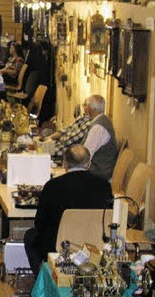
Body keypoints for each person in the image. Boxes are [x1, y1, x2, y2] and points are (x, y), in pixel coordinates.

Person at [24, 145, 112, 276]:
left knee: (30, 236)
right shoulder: (104, 186)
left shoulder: (53, 186)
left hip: (60, 244)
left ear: (65, 164)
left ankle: (45, 279)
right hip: (95, 243)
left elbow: (40, 222)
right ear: (88, 164)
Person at [83, 95, 118, 181]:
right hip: (100, 169)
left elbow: (85, 155)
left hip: (99, 172)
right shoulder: (103, 120)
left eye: (86, 106)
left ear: (91, 109)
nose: (84, 109)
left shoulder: (98, 127)